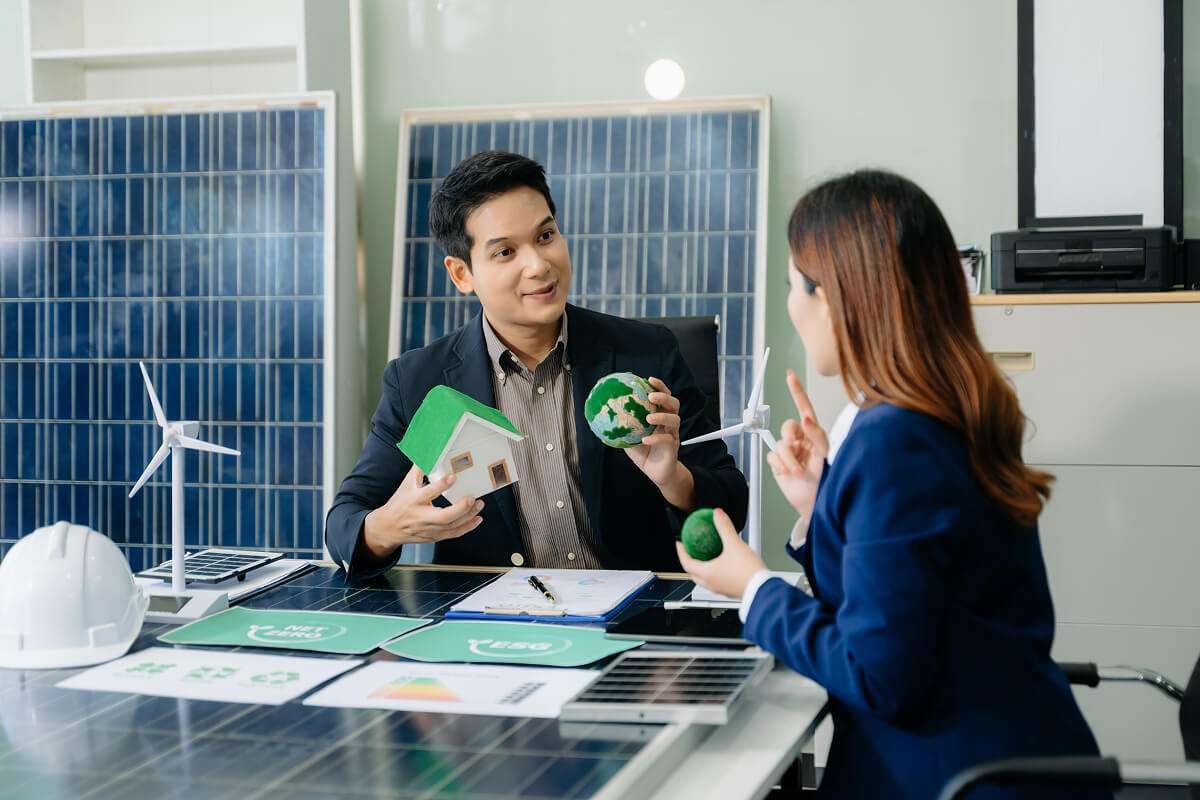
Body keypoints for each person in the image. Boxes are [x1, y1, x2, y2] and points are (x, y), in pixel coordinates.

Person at [678, 170, 1106, 799]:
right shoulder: (939, 409)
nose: (792, 305)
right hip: (997, 754)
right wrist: (822, 505)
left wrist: (753, 589)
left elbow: (880, 675)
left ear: (839, 298)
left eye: (796, 284)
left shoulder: (895, 440)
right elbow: (906, 599)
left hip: (954, 777)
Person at [327, 150, 748, 580]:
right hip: (490, 632)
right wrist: (385, 529)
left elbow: (733, 504)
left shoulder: (646, 353)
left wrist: (672, 478)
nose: (538, 264)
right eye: (506, 252)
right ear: (461, 274)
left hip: (631, 624)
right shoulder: (418, 382)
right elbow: (343, 522)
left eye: (546, 236)